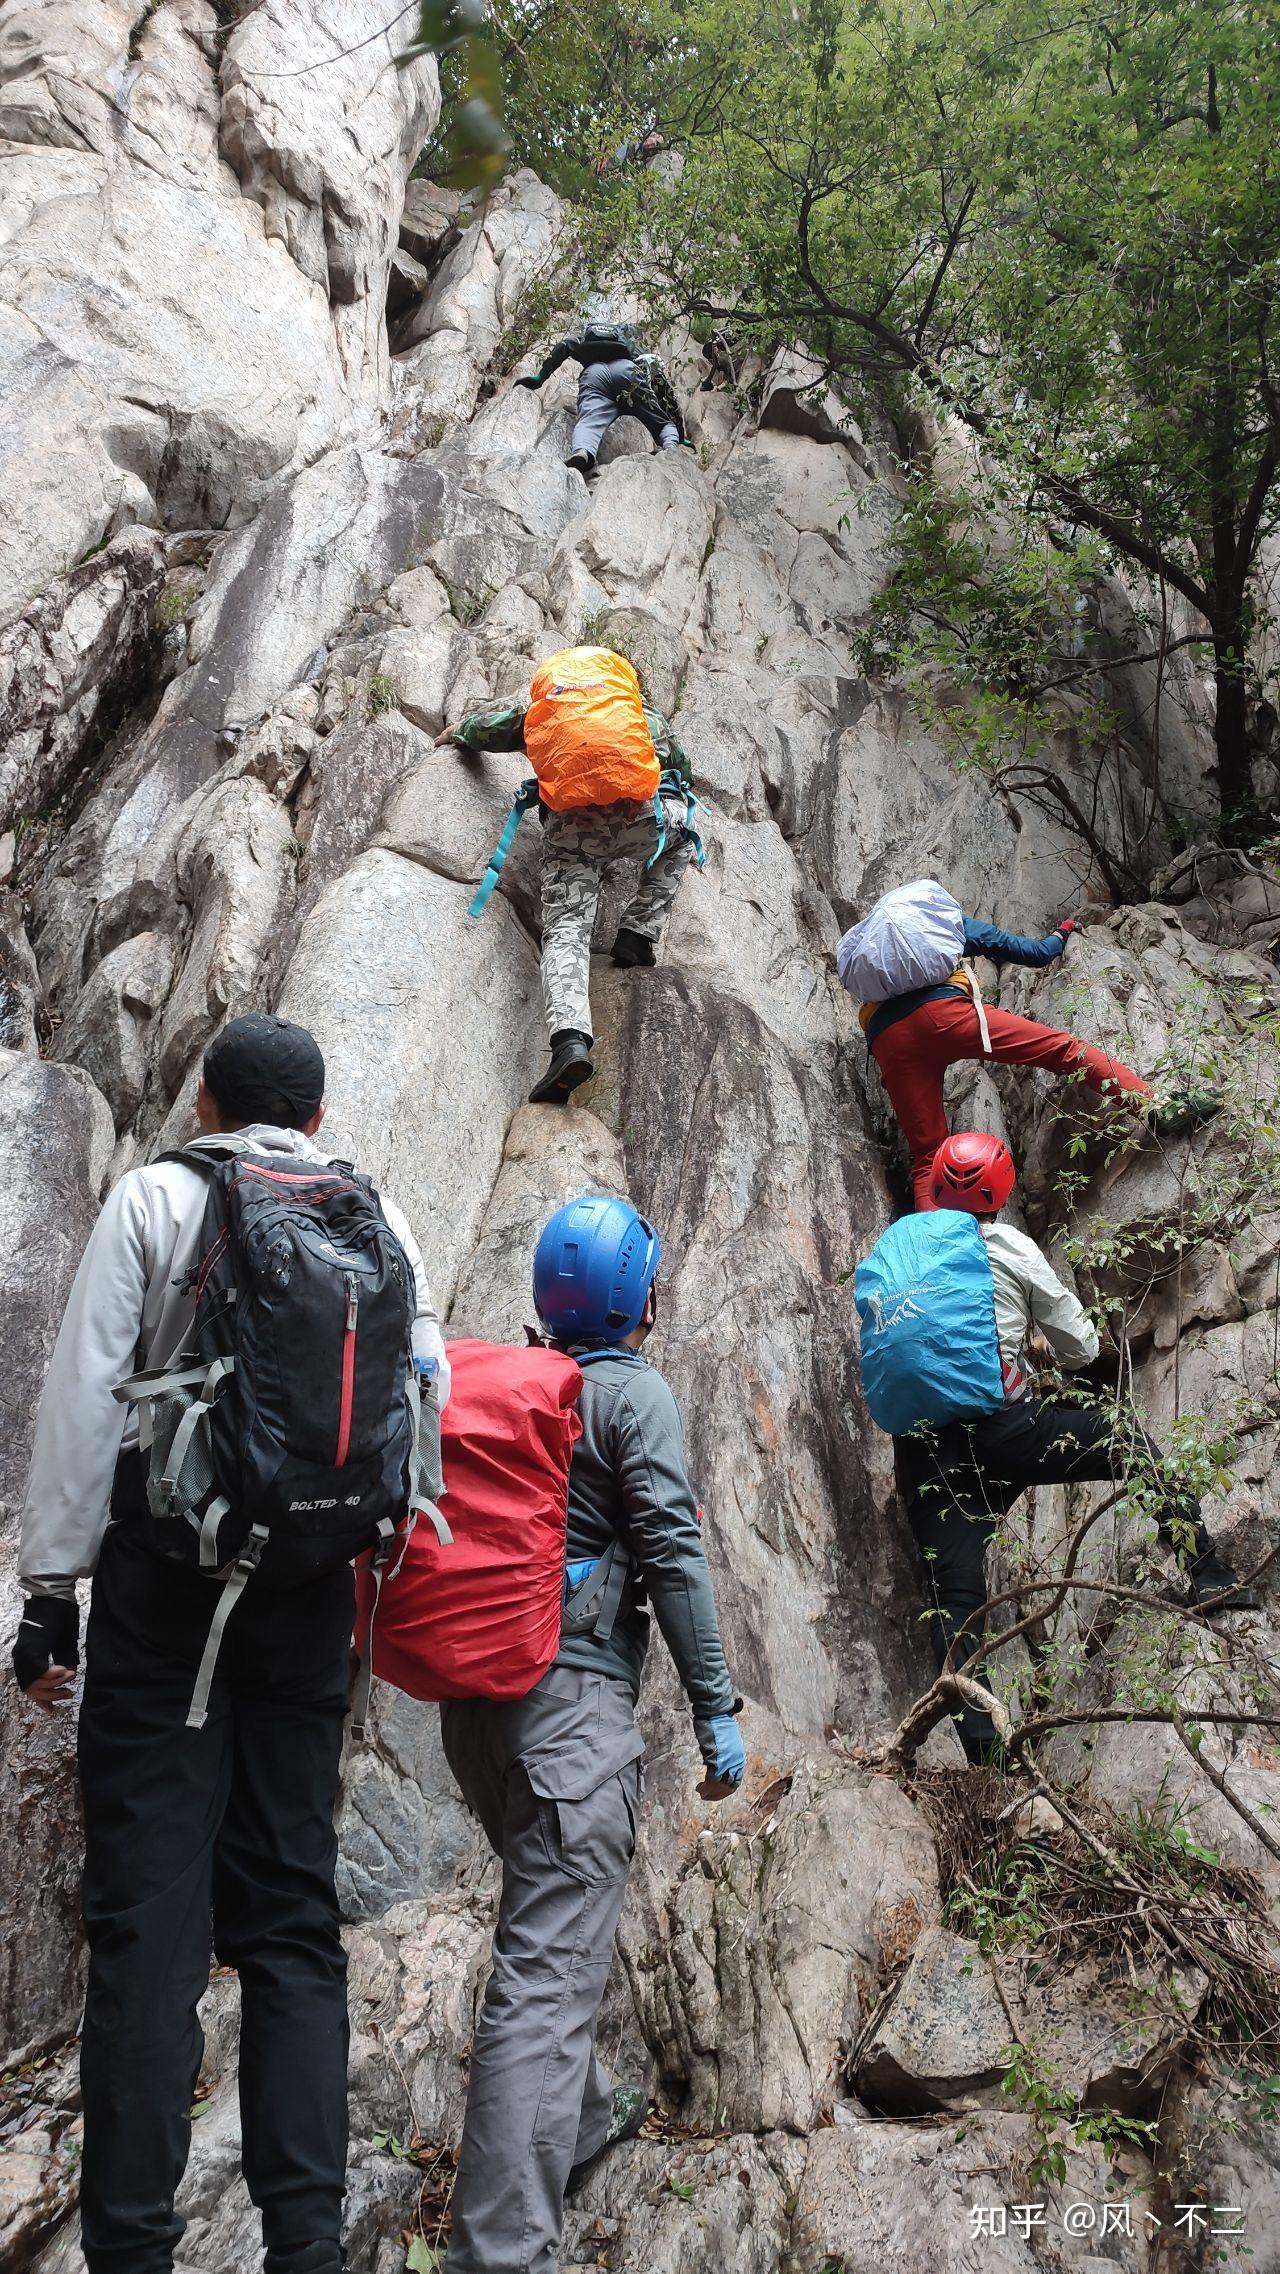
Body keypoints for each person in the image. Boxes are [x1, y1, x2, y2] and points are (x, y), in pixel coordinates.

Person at [11, 1013, 450, 2274]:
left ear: (204, 1099)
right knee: (292, 1919)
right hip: (309, 1601)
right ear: (314, 1117)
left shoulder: (158, 1199)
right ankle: (307, 2244)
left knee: (147, 1925)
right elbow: (421, 1396)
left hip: (165, 1599)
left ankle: (134, 2250)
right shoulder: (379, 1219)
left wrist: (51, 1595)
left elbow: (88, 1388)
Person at [439, 1196, 744, 2274]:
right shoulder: (627, 1394)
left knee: (547, 1935)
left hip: (474, 1719)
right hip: (569, 1716)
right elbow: (670, 1545)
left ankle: (580, 2123)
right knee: (541, 1978)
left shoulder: (509, 1391)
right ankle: (501, 2251)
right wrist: (713, 1705)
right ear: (639, 1299)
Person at [902, 1131, 1256, 1765]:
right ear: (999, 1191)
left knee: (954, 1598)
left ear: (937, 1187)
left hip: (923, 1451)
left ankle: (989, 1767)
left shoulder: (899, 1251)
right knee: (1126, 1441)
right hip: (1002, 1432)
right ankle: (1210, 1575)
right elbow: (1082, 1347)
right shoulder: (1008, 1246)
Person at [437, 648, 701, 1105]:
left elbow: (487, 729)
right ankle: (638, 932)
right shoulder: (642, 716)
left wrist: (455, 733)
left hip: (573, 835)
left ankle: (570, 1043)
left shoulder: (543, 713)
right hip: (642, 824)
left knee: (566, 932)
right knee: (686, 833)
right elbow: (682, 769)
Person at [855, 906, 1214, 1210]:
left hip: (888, 1038)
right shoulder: (943, 923)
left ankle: (929, 1262)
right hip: (944, 1014)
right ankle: (1156, 1107)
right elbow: (1035, 954)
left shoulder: (874, 958)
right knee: (1063, 1050)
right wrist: (1063, 932)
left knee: (928, 1158)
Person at [515, 316, 689, 475]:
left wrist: (540, 378)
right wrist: (679, 431)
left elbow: (564, 346)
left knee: (589, 422)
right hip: (627, 372)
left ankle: (584, 452)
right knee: (662, 423)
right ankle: (670, 448)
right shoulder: (630, 341)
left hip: (594, 375)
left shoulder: (588, 338)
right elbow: (658, 378)